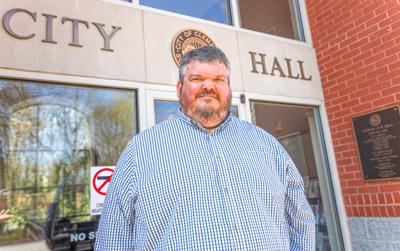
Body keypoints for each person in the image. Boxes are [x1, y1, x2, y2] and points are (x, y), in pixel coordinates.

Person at [95, 46, 315, 250]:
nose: (208, 86)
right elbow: (113, 237)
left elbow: (301, 219)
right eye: (197, 78)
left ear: (228, 88)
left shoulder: (266, 144)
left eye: (219, 79)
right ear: (179, 88)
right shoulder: (140, 152)